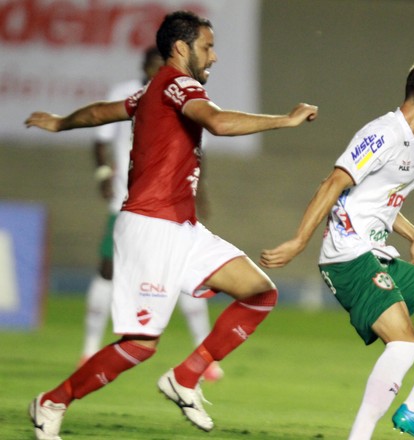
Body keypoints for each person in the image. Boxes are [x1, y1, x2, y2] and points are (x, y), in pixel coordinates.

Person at [25, 10, 318, 440]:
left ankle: (185, 377)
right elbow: (217, 123)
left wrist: (61, 122)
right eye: (207, 47)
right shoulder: (179, 84)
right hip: (150, 227)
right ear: (181, 49)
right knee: (140, 344)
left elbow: (102, 112)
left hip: (182, 226)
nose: (214, 56)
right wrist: (284, 120)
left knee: (259, 294)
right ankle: (53, 401)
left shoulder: (149, 92)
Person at [260, 49, 414, 440]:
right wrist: (299, 241)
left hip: (376, 254)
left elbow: (376, 200)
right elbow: (333, 184)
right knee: (404, 345)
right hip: (348, 257)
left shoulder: (412, 143)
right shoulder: (383, 134)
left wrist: (413, 233)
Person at [83, 46, 223, 382]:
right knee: (108, 270)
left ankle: (205, 356)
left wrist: (199, 194)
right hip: (127, 202)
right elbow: (100, 138)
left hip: (173, 208)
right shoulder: (127, 95)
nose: (159, 69)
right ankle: (88, 348)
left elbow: (195, 151)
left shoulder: (187, 98)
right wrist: (104, 174)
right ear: (143, 66)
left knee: (186, 276)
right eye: (153, 64)